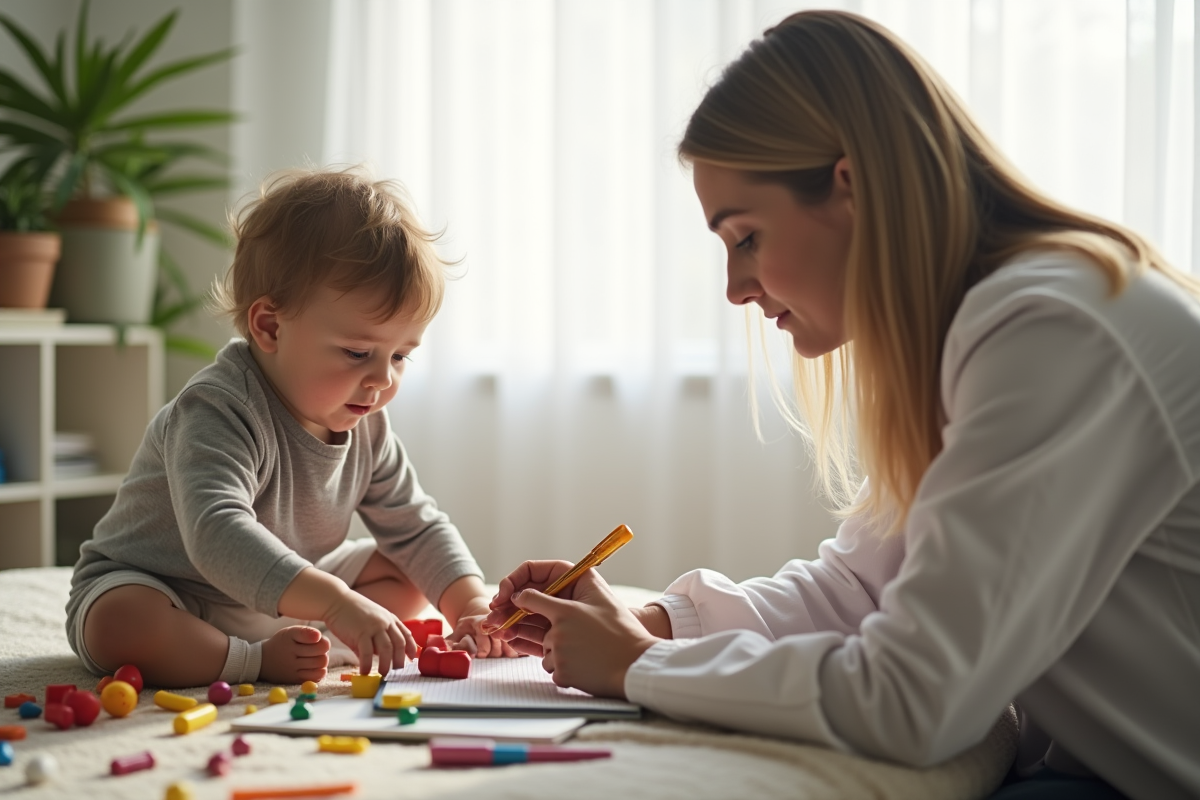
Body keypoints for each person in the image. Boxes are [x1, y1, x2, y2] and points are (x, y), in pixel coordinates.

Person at [485, 11, 1200, 800]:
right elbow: (861, 591)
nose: (735, 288)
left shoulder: (1054, 334)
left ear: (851, 185)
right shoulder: (989, 328)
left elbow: (912, 697)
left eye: (746, 237)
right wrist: (651, 622)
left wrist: (642, 666)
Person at [67, 167, 514, 689]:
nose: (381, 380)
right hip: (176, 590)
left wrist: (473, 605)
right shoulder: (216, 409)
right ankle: (248, 660)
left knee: (405, 574)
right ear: (270, 326)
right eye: (357, 352)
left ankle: (308, 635)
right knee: (121, 622)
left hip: (285, 592)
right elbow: (217, 533)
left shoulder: (367, 424)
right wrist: (335, 602)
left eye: (401, 356)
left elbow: (416, 526)